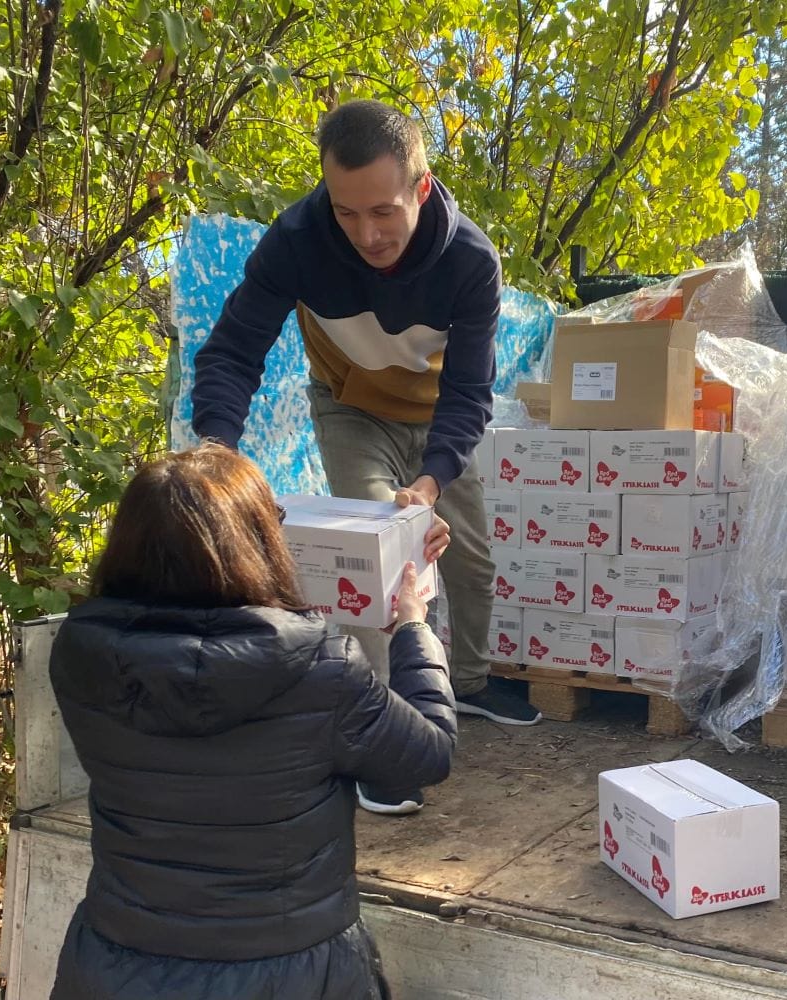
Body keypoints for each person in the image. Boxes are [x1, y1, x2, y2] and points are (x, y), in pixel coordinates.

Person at [191, 99, 541, 815]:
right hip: (349, 407)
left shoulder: (470, 260)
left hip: (438, 415)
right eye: (346, 213)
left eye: (383, 211)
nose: (366, 234)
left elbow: (470, 390)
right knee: (379, 557)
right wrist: (215, 452)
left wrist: (432, 481)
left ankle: (469, 684)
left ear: (420, 187)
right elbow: (231, 351)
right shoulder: (296, 241)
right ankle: (380, 733)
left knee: (470, 559)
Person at [48, 443, 457, 1000]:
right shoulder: (322, 669)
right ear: (258, 541)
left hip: (115, 966)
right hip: (291, 974)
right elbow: (428, 754)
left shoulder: (81, 653)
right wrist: (412, 630)